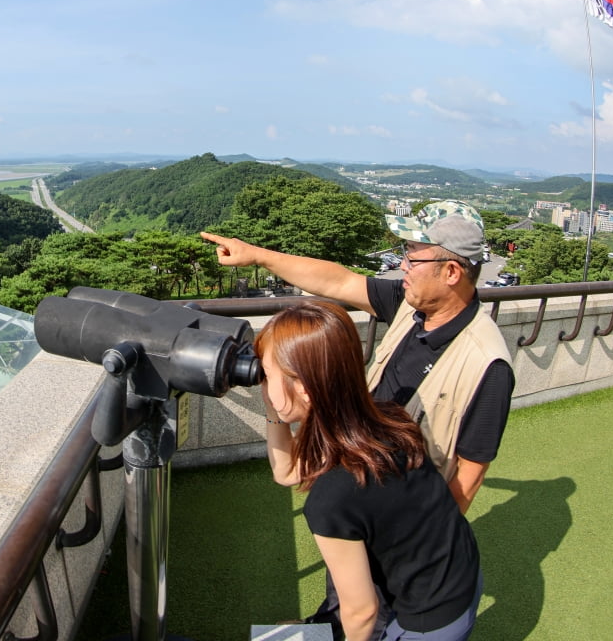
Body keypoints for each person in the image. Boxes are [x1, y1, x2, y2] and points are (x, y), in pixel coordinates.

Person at [202, 200, 514, 514]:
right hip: (359, 485)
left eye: (413, 256)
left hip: (402, 515)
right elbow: (338, 281)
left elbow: (470, 474)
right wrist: (257, 256)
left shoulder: (487, 364)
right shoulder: (410, 306)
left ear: (450, 272)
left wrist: (424, 542)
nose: (403, 265)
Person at [257, 300, 482, 641]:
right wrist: (272, 403)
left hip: (430, 618)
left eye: (267, 373)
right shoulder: (382, 419)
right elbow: (286, 472)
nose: (263, 380)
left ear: (304, 387)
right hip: (461, 568)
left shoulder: (333, 496)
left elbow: (361, 612)